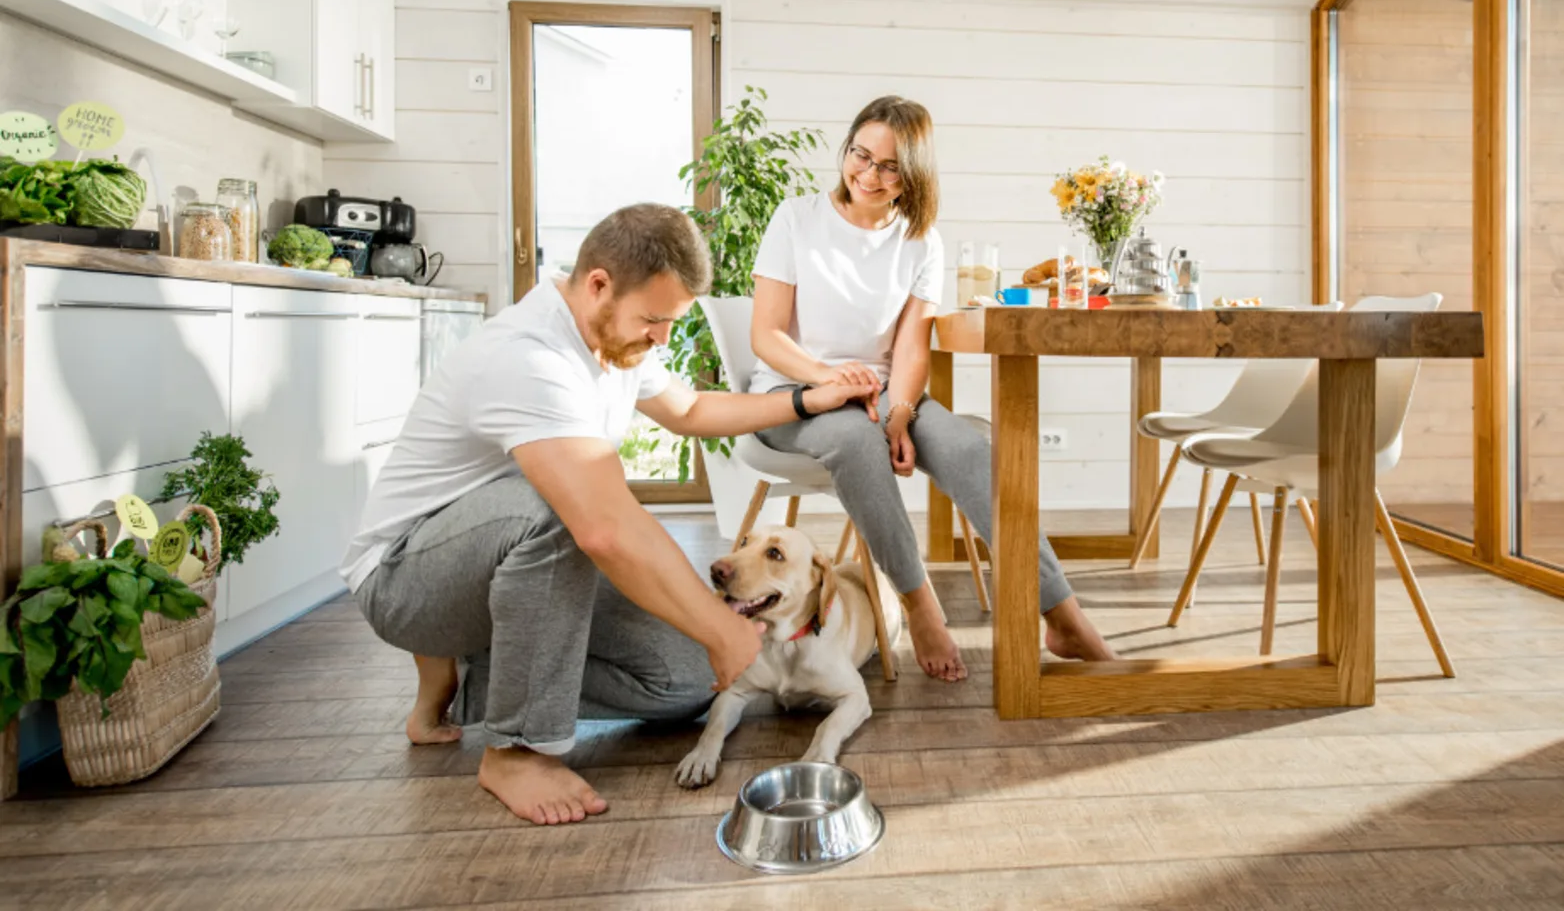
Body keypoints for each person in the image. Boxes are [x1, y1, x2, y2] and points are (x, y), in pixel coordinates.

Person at [340, 203, 877, 826]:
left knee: (687, 680)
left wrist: (810, 398)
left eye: (670, 322)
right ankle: (517, 748)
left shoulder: (615, 341)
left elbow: (693, 411)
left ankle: (477, 683)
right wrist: (720, 624)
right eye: (654, 319)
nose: (662, 338)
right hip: (405, 580)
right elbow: (601, 527)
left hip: (508, 576)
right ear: (598, 284)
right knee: (567, 510)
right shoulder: (530, 357)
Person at [749, 95, 1118, 683]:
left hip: (882, 393)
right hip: (794, 393)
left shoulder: (921, 239)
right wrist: (831, 379)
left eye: (889, 166)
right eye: (860, 155)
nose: (869, 175)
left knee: (973, 452)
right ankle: (921, 606)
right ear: (846, 150)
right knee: (853, 440)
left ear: (913, 174)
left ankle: (1063, 614)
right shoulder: (796, 219)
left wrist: (898, 413)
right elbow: (766, 335)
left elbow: (911, 346)